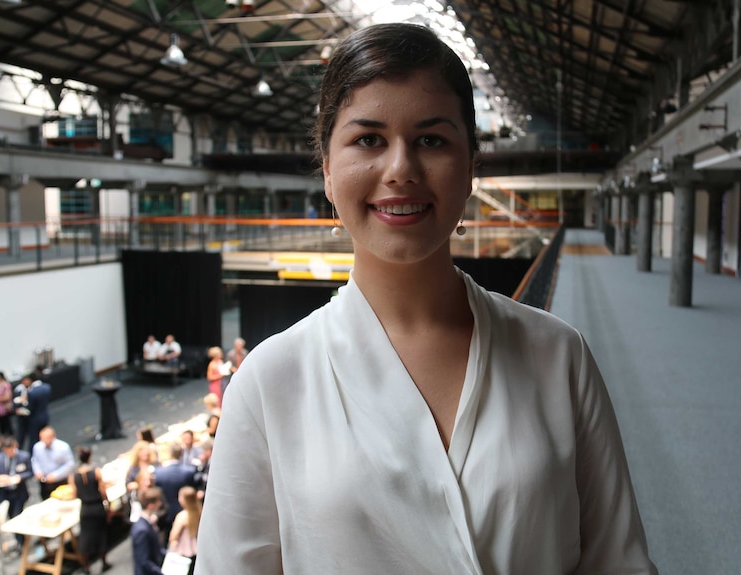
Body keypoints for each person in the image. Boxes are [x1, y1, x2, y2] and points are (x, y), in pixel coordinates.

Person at [196, 23, 656, 575]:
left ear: (470, 168)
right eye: (369, 139)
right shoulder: (269, 383)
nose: (401, 170)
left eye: (431, 140)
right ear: (326, 168)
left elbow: (618, 562)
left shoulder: (559, 355)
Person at [68, 446, 112, 573]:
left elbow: (74, 494)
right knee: (101, 535)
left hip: (85, 508)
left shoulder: (73, 476)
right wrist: (107, 506)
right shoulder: (96, 472)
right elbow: (103, 492)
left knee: (86, 538)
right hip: (97, 507)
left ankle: (86, 566)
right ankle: (104, 562)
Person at [0, 437, 32, 549]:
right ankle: (19, 540)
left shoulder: (24, 456)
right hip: (5, 493)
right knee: (10, 517)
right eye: (6, 451)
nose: (8, 453)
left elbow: (30, 472)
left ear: (15, 447)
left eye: (10, 450)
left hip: (19, 493)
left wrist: (19, 477)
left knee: (17, 515)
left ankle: (22, 542)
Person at [153, 444, 197, 539]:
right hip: (187, 512)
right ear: (182, 453)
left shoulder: (159, 473)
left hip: (167, 513)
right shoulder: (189, 471)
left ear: (170, 454)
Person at [31, 426, 75, 500]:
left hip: (60, 481)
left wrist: (55, 475)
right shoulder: (37, 447)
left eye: (45, 438)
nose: (43, 441)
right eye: (41, 438)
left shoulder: (63, 447)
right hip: (44, 481)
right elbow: (35, 460)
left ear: (53, 437)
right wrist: (38, 471)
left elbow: (69, 464)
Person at [130, 486, 166, 575]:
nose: (160, 504)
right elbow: (144, 561)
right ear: (150, 506)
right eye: (158, 502)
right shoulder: (142, 530)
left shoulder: (146, 523)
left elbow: (156, 549)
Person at [13, 372, 52, 452]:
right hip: (44, 416)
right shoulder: (46, 387)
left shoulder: (32, 393)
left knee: (34, 440)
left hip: (33, 419)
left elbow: (30, 409)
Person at [168, 486, 201, 575]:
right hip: (197, 552)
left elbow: (173, 536)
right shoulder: (200, 513)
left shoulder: (182, 516)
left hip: (183, 553)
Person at [0, 371, 15, 447]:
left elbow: (7, 397)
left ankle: (11, 439)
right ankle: (2, 440)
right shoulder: (0, 385)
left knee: (7, 424)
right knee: (1, 425)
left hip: (4, 409)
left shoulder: (6, 385)